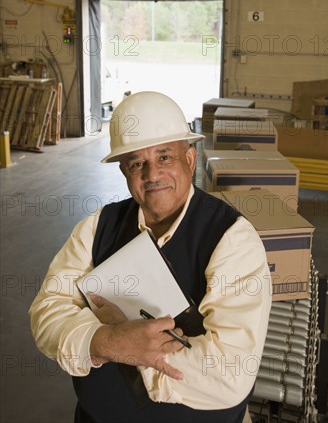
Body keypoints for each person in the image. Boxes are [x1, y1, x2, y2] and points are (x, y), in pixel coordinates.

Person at [29, 91, 272, 423]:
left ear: (189, 159)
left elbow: (230, 374)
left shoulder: (232, 240)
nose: (152, 174)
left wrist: (120, 341)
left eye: (164, 157)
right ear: (124, 172)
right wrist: (106, 339)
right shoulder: (98, 227)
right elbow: (47, 312)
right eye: (137, 163)